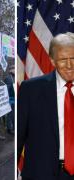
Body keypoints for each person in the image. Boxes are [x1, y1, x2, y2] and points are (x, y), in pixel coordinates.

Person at [17, 32, 74, 180]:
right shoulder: (31, 89)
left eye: (73, 58)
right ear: (52, 61)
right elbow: (19, 136)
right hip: (41, 173)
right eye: (63, 59)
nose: (69, 65)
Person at [4, 64, 15, 134]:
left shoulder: (14, 77)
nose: (15, 70)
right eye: (13, 68)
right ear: (10, 70)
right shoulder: (8, 78)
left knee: (13, 114)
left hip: (14, 98)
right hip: (10, 99)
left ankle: (13, 127)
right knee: (10, 115)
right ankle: (9, 128)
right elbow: (6, 89)